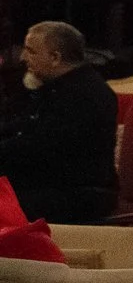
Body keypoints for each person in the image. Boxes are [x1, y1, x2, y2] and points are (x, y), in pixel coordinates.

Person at [0, 21, 120, 222]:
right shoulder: (58, 87)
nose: (23, 57)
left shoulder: (84, 94)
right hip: (53, 185)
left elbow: (39, 146)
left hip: (79, 196)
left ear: (55, 57)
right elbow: (20, 126)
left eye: (31, 51)